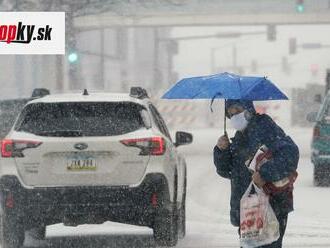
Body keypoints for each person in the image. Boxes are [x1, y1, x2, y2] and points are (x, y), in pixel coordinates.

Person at [213, 99, 299, 248]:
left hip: (271, 206)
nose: (234, 116)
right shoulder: (240, 137)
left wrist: (264, 173)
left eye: (237, 111)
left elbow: (290, 153)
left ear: (248, 110)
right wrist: (222, 151)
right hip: (249, 211)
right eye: (230, 113)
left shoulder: (265, 127)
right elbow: (228, 171)